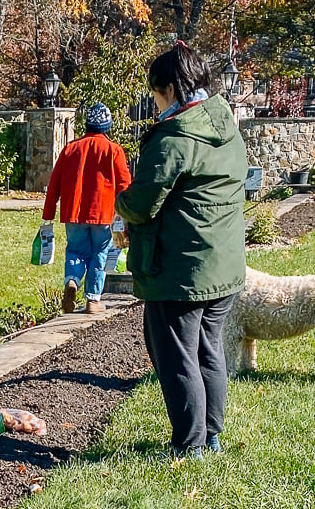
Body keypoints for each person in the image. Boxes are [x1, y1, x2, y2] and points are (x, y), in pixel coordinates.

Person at [115, 41, 247, 459]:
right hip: (223, 266)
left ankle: (188, 446)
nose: (154, 104)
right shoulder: (226, 127)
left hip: (180, 270)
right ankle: (211, 436)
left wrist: (120, 203)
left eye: (155, 95)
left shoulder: (176, 137)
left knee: (176, 356)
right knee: (209, 349)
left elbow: (140, 203)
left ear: (170, 89)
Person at [40, 102, 132, 316]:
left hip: (73, 212)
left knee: (75, 250)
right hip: (103, 213)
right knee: (99, 253)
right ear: (107, 126)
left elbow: (54, 183)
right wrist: (128, 212)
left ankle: (72, 279)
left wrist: (48, 213)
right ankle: (93, 300)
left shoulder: (70, 148)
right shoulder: (114, 150)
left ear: (87, 125)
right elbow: (124, 185)